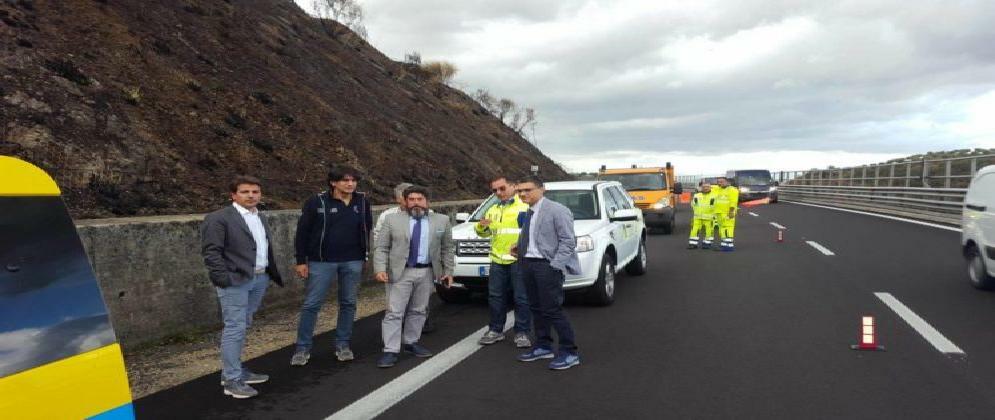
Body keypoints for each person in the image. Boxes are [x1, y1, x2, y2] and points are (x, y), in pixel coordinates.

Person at [201, 175, 284, 399]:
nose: (251, 196)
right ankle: (231, 380)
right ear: (233, 195)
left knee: (243, 324)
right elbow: (211, 252)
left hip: (258, 278)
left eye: (255, 192)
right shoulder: (219, 218)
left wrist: (266, 274)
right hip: (235, 281)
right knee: (234, 327)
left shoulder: (259, 217)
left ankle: (236, 370)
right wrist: (224, 279)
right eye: (245, 192)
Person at [290, 166, 373, 366]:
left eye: (353, 180)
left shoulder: (362, 202)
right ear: (333, 183)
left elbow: (366, 227)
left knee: (348, 303)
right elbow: (303, 232)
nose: (350, 184)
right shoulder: (316, 202)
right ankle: (302, 348)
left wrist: (364, 255)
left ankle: (343, 344)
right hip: (321, 261)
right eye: (345, 180)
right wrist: (301, 260)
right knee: (312, 305)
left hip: (353, 260)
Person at [373, 186, 455, 368]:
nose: (416, 203)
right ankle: (390, 350)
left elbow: (447, 248)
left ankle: (411, 342)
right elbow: (382, 247)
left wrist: (448, 271)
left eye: (420, 199)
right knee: (394, 312)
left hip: (426, 272)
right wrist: (379, 268)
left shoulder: (442, 220)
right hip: (400, 272)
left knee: (419, 310)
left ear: (427, 202)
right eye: (412, 199)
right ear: (405, 201)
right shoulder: (392, 220)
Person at [511, 177, 582, 370]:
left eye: (527, 190)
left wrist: (555, 265)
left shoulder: (557, 210)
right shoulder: (529, 212)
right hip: (528, 264)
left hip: (547, 266)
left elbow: (568, 241)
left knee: (552, 310)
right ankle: (544, 346)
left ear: (542, 189)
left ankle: (569, 352)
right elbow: (538, 237)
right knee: (535, 307)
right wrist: (520, 247)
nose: (523, 194)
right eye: (520, 191)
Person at [475, 176, 532, 347]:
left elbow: (533, 232)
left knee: (521, 297)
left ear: (514, 186)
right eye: (494, 190)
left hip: (519, 260)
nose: (498, 193)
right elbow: (485, 234)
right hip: (497, 260)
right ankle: (495, 330)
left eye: (502, 188)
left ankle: (522, 332)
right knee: (495, 297)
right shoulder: (493, 209)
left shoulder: (525, 207)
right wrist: (481, 227)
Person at [374, 182, 436, 334]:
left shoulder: (430, 214)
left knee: (420, 297)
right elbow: (379, 241)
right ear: (399, 199)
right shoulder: (387, 216)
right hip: (396, 264)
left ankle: (421, 322)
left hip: (421, 265)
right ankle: (396, 328)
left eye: (417, 198)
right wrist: (383, 265)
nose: (413, 202)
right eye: (408, 198)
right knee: (394, 300)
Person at [713, 177, 740, 252]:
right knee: (722, 229)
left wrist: (731, 212)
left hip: (727, 213)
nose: (720, 183)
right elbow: (709, 187)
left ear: (727, 182)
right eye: (718, 182)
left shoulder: (732, 190)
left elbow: (733, 201)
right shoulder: (719, 189)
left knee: (728, 228)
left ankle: (729, 246)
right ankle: (724, 244)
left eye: (722, 182)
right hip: (719, 212)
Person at [688, 181, 717, 249]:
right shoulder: (697, 195)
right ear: (701, 188)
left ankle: (707, 244)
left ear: (710, 187)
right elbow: (693, 204)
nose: (705, 188)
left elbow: (717, 205)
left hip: (709, 217)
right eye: (704, 187)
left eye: (707, 187)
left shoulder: (715, 196)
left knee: (709, 231)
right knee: (694, 230)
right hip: (697, 217)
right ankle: (693, 244)